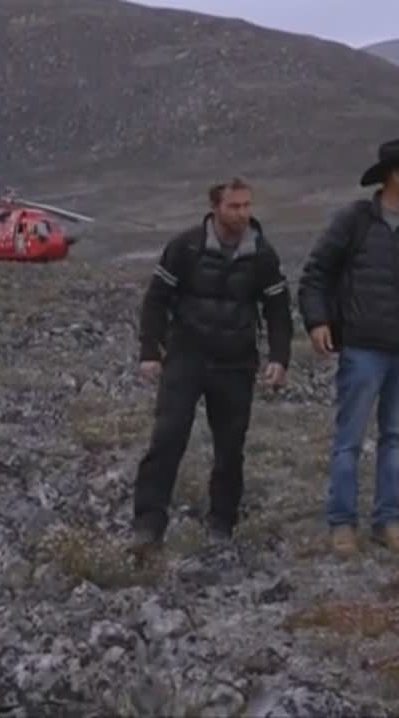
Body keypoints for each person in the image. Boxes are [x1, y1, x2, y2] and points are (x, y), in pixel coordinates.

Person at [297, 138, 399, 559]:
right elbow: (316, 274)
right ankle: (342, 524)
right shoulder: (354, 221)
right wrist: (317, 321)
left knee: (396, 437)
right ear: (396, 176)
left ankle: (389, 520)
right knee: (349, 440)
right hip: (362, 350)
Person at [130, 177, 293, 551]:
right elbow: (156, 299)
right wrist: (150, 351)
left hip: (235, 363)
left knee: (230, 448)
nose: (243, 213)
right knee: (167, 438)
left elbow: (278, 309)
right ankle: (148, 525)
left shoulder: (262, 254)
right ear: (215, 207)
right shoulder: (185, 247)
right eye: (234, 206)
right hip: (186, 357)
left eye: (247, 205)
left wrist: (279, 358)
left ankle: (222, 522)